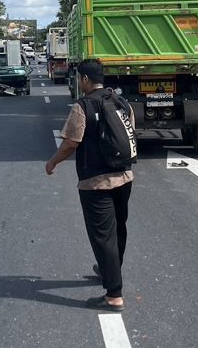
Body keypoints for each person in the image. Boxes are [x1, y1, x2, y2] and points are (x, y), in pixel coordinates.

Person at [44, 58, 134, 312]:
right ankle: (109, 270)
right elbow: (130, 134)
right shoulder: (120, 101)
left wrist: (52, 163)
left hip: (96, 182)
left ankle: (114, 295)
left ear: (84, 79)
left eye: (78, 78)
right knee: (118, 229)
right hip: (124, 177)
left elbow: (72, 142)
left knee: (102, 236)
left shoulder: (82, 105)